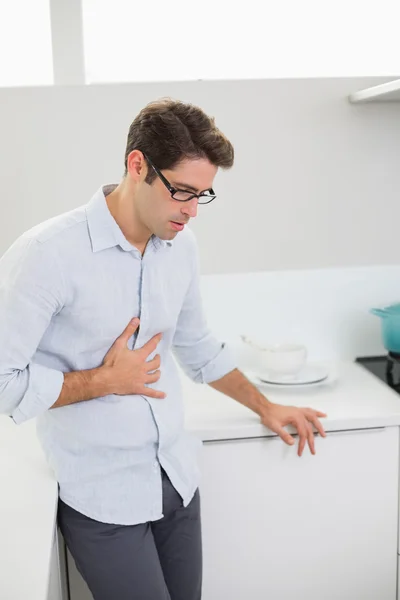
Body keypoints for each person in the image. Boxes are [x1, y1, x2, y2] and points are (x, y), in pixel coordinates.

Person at [0, 98, 327, 600]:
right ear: (137, 166)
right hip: (102, 498)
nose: (192, 211)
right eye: (182, 192)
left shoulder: (180, 246)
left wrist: (267, 405)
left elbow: (196, 346)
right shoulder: (46, 255)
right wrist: (102, 382)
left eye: (204, 195)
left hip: (177, 482)